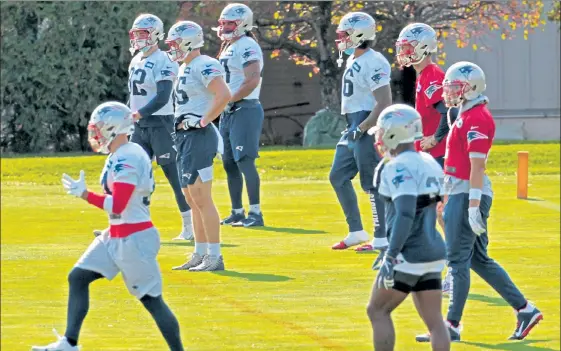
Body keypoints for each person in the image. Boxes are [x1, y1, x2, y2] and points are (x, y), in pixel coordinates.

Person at [31, 102, 184, 351]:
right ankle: (69, 343)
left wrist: (85, 195)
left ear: (115, 126)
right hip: (118, 233)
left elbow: (119, 204)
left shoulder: (129, 155)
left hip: (134, 237)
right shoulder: (119, 154)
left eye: (101, 128)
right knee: (78, 277)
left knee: (152, 300)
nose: (97, 133)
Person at [416, 62, 543, 343]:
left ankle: (452, 324)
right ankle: (525, 309)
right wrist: (447, 195)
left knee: (457, 259)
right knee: (478, 259)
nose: (449, 91)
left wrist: (472, 204)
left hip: (469, 193)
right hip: (459, 191)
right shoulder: (463, 113)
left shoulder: (477, 117)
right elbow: (457, 161)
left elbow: (477, 166)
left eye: (454, 86)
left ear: (471, 87)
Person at [366, 104, 450, 351]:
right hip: (434, 250)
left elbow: (404, 213)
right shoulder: (429, 162)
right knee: (434, 321)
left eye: (382, 131)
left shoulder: (396, 167)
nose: (379, 137)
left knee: (377, 310)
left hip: (409, 252)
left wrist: (391, 255)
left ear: (393, 132)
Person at [395, 22, 459, 291]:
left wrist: (436, 136)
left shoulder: (432, 74)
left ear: (423, 47)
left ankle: (455, 272)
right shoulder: (423, 75)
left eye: (408, 47)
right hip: (432, 156)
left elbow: (447, 109)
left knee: (443, 214)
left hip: (441, 155)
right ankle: (438, 268)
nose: (403, 52)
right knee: (432, 213)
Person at [165, 21, 231, 272]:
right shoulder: (186, 66)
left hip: (198, 136)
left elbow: (223, 94)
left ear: (190, 41)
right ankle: (200, 253)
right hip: (184, 137)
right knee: (192, 198)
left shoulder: (204, 64)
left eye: (175, 43)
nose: (172, 48)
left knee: (202, 197)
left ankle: (215, 256)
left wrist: (204, 120)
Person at [123, 13, 194, 240]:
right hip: (140, 125)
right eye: (136, 34)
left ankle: (190, 226)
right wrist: (127, 114)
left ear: (155, 34)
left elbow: (164, 96)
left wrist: (139, 113)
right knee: (133, 174)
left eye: (143, 33)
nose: (138, 38)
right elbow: (134, 96)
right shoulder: (136, 60)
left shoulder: (164, 60)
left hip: (161, 123)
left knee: (173, 174)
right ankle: (130, 225)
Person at [329, 12, 392, 257]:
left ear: (358, 35)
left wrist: (363, 127)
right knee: (338, 176)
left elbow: (384, 101)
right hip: (353, 124)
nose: (341, 39)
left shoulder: (374, 61)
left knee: (372, 185)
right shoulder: (353, 58)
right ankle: (356, 231)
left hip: (366, 124)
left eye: (344, 34)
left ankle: (381, 237)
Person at [214, 3, 265, 227]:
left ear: (242, 24)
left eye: (230, 23)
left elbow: (252, 80)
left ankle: (256, 213)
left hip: (245, 108)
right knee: (229, 163)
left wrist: (228, 99)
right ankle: (237, 211)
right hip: (229, 111)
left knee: (245, 162)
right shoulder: (228, 46)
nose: (225, 27)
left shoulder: (247, 45)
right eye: (223, 23)